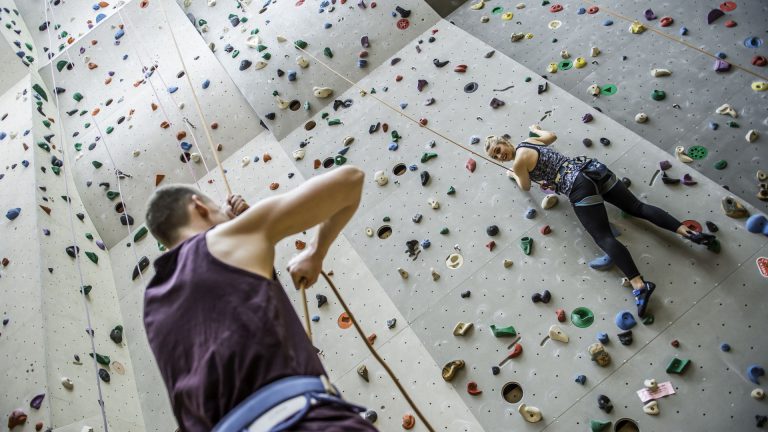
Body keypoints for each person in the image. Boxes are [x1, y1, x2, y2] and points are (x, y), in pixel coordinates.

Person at [142, 166, 378, 432]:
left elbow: (239, 317)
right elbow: (350, 181)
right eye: (216, 207)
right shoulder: (224, 239)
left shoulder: (153, 306)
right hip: (302, 423)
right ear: (199, 206)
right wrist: (315, 252)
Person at [485, 125, 717, 317]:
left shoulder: (517, 163)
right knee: (638, 207)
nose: (499, 155)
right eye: (495, 156)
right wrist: (536, 129)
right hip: (592, 170)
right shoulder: (530, 141)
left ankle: (639, 285)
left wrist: (513, 173)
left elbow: (525, 186)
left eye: (498, 149)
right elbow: (552, 136)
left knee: (603, 236)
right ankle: (690, 233)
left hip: (578, 187)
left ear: (505, 142)